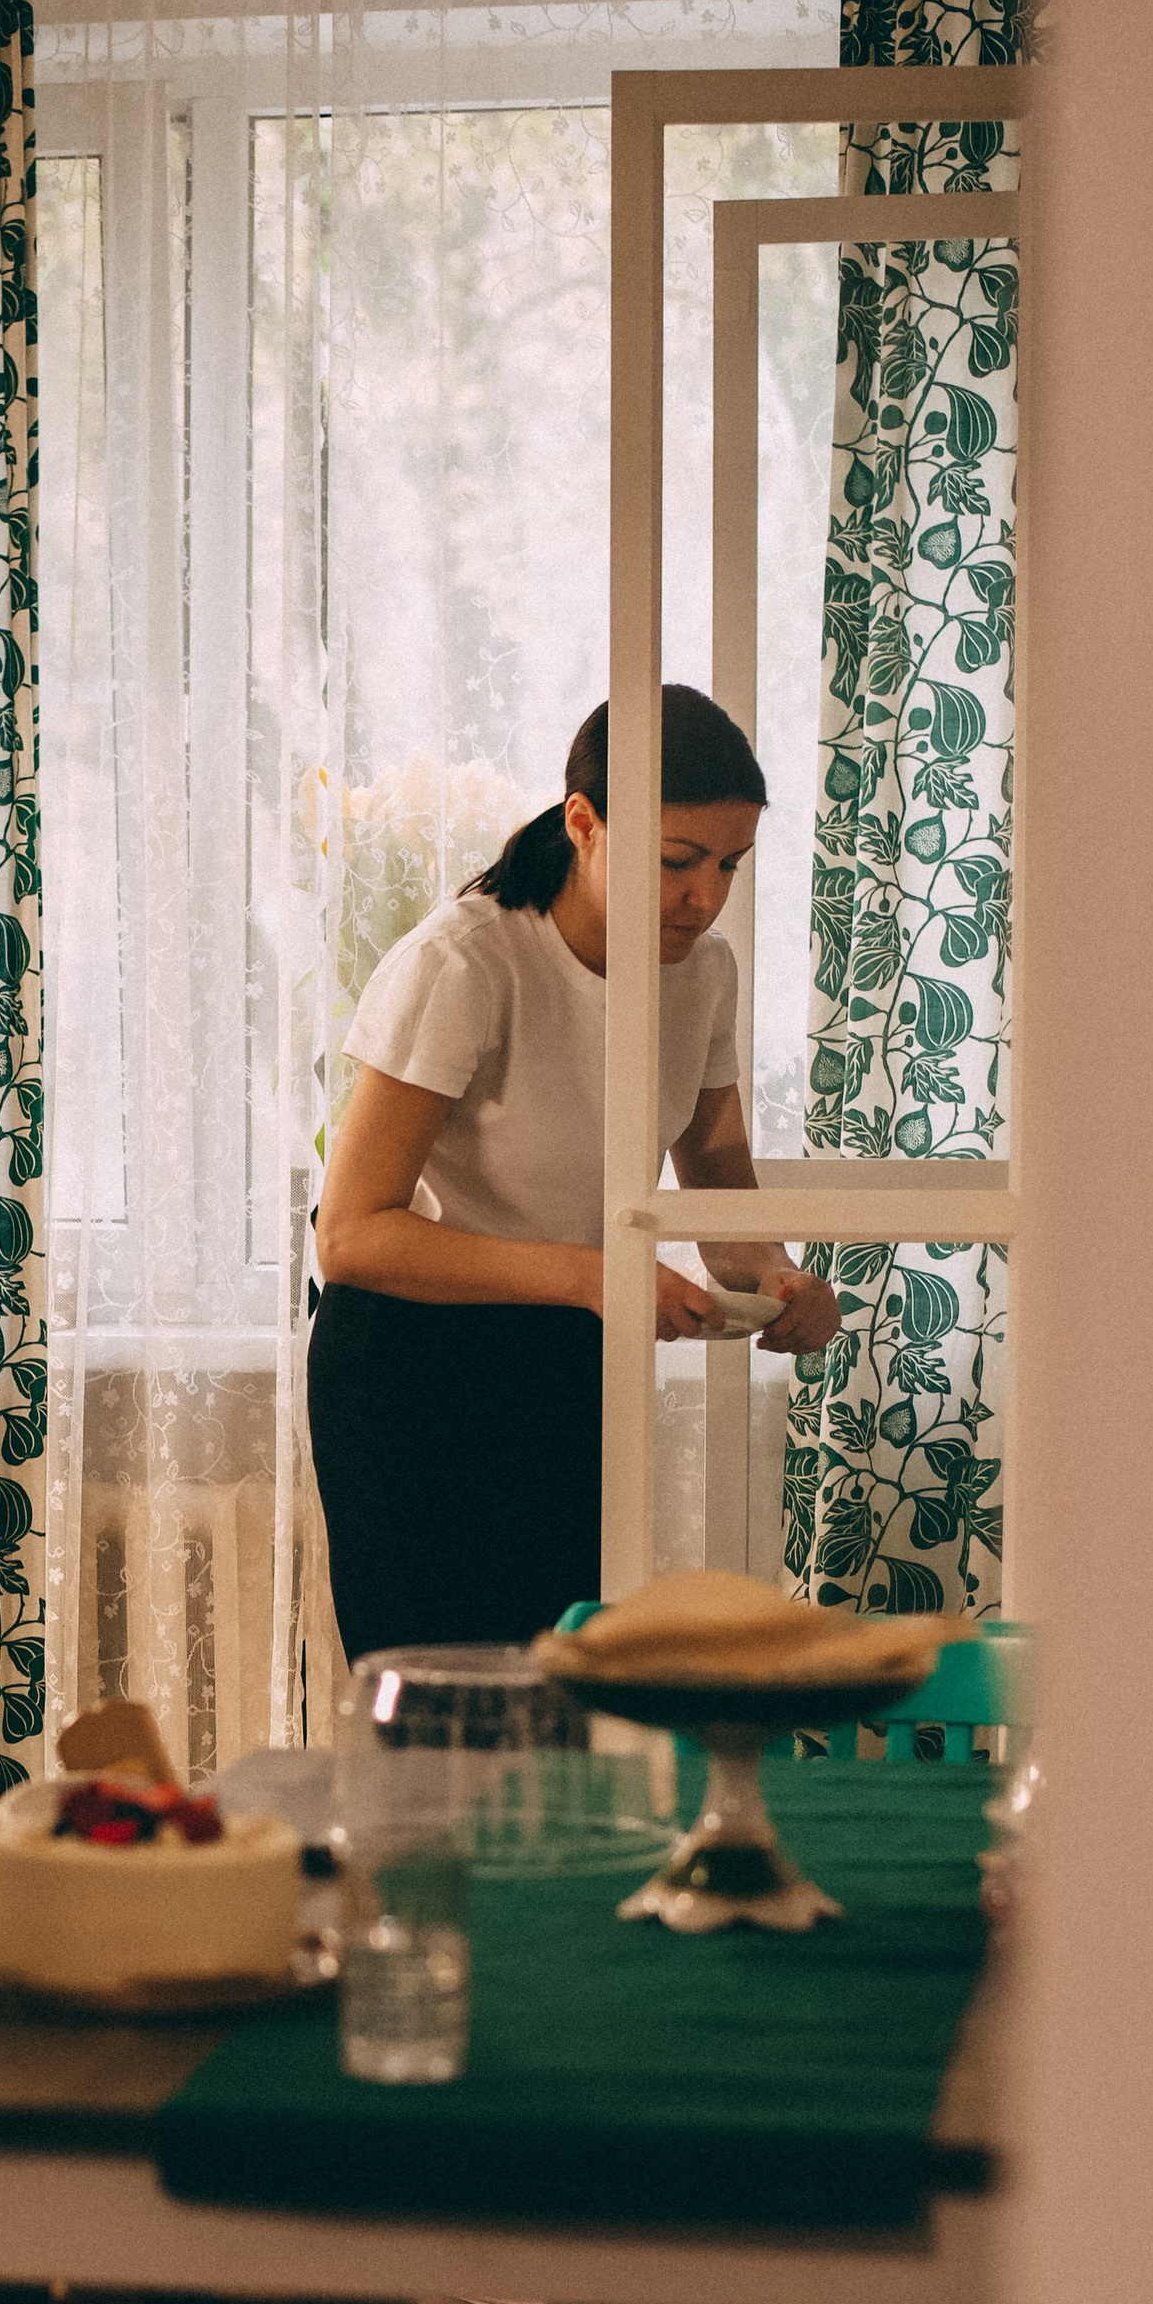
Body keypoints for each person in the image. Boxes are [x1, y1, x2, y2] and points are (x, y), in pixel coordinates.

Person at [309, 685, 844, 1663]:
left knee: (561, 1705)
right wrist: (594, 1277)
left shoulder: (704, 972)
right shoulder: (464, 963)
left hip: (568, 1357)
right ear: (583, 823)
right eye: (678, 862)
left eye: (730, 863)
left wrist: (771, 1278)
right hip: (411, 1369)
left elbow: (715, 1170)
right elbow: (349, 1237)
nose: (706, 895)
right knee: (438, 1718)